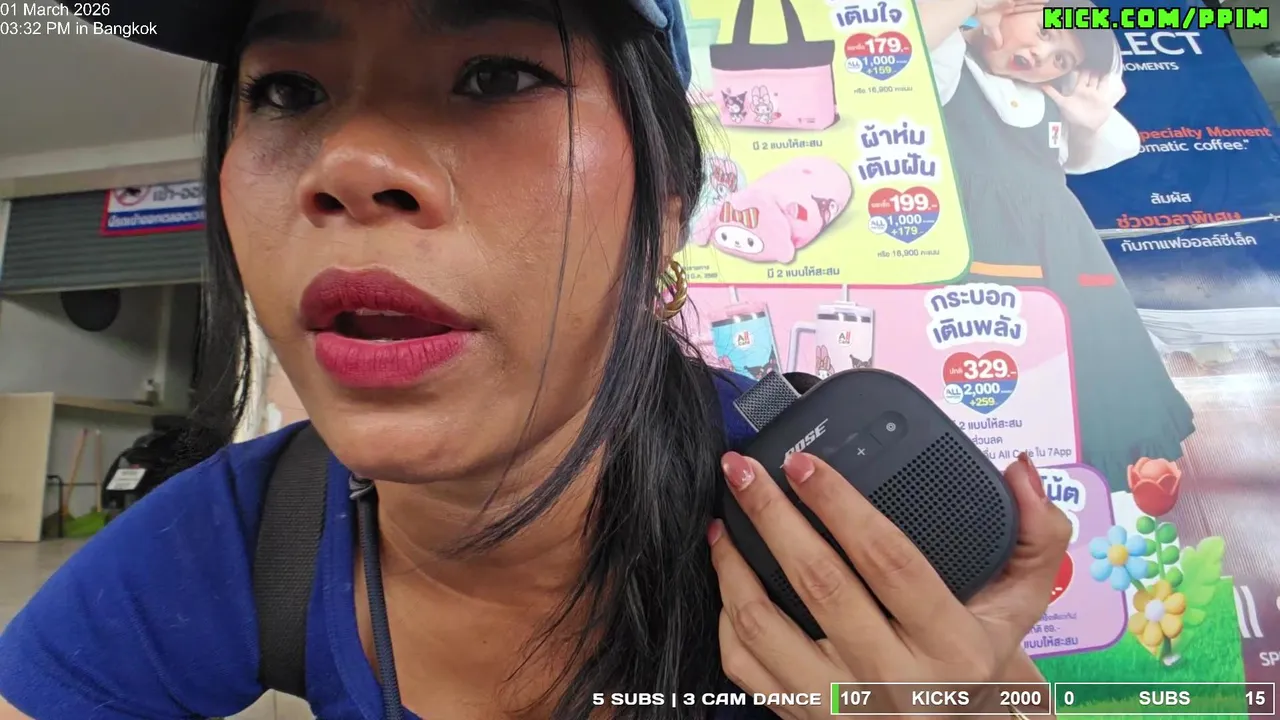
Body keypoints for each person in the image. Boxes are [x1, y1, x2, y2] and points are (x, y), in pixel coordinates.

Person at [0, 1, 1071, 718]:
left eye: (494, 75)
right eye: (286, 92)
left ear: (665, 208)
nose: (350, 165)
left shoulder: (835, 513)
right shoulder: (233, 537)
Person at [917, 0, 1196, 491]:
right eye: (1047, 32)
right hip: (972, 247)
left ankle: (1080, 497)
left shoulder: (1051, 102)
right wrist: (976, 9)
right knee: (983, 376)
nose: (1042, 56)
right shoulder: (946, 60)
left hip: (1064, 253)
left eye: (1061, 59)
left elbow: (1085, 157)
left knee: (1088, 372)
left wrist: (1086, 121)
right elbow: (905, 43)